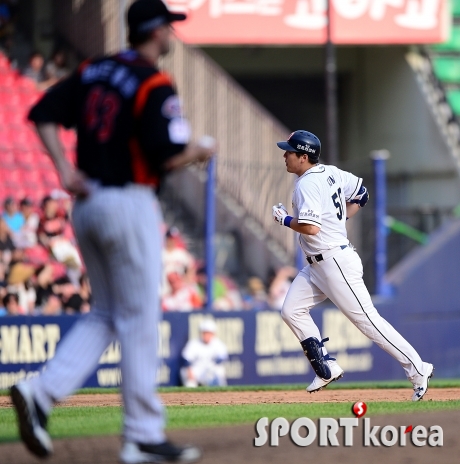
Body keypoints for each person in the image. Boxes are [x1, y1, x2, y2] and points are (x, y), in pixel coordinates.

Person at [10, 0, 215, 462]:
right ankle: (143, 434)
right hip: (129, 203)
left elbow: (41, 111)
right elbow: (167, 155)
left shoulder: (95, 69)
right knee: (140, 319)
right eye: (168, 28)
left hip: (86, 203)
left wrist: (63, 168)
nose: (171, 35)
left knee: (107, 313)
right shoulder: (154, 82)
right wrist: (200, 150)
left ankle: (40, 393)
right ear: (155, 31)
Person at [272, 130, 433, 401]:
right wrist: (340, 218)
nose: (284, 155)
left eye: (289, 151)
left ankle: (418, 368)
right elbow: (362, 194)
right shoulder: (331, 172)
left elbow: (310, 227)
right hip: (317, 265)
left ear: (303, 156)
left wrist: (285, 220)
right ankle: (326, 368)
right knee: (291, 311)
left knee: (368, 321)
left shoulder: (307, 184)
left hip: (334, 262)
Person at [180, 318, 228, 387]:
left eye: (209, 333)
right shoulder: (194, 343)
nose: (207, 335)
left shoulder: (218, 343)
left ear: (213, 333)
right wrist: (189, 370)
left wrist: (212, 369)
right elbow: (186, 359)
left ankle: (221, 395)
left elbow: (222, 357)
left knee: (219, 370)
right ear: (201, 333)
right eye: (205, 333)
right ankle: (190, 397)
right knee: (188, 378)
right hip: (196, 369)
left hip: (210, 369)